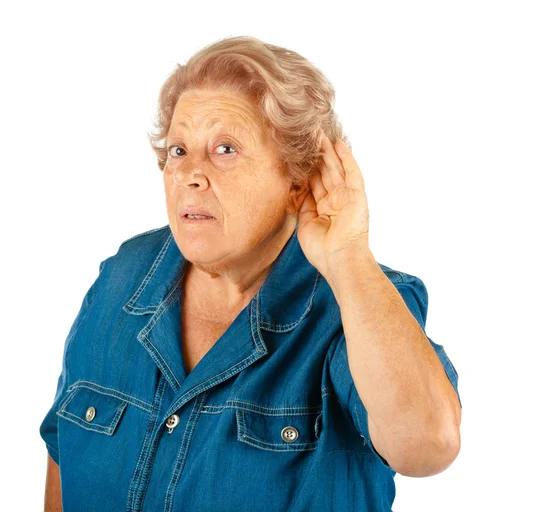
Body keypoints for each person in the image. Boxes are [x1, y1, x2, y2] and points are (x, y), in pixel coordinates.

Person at [40, 35, 462, 511]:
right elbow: (64, 449)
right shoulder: (120, 281)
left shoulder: (358, 302)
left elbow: (427, 447)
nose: (189, 174)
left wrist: (349, 257)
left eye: (224, 149)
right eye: (178, 150)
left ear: (299, 178)